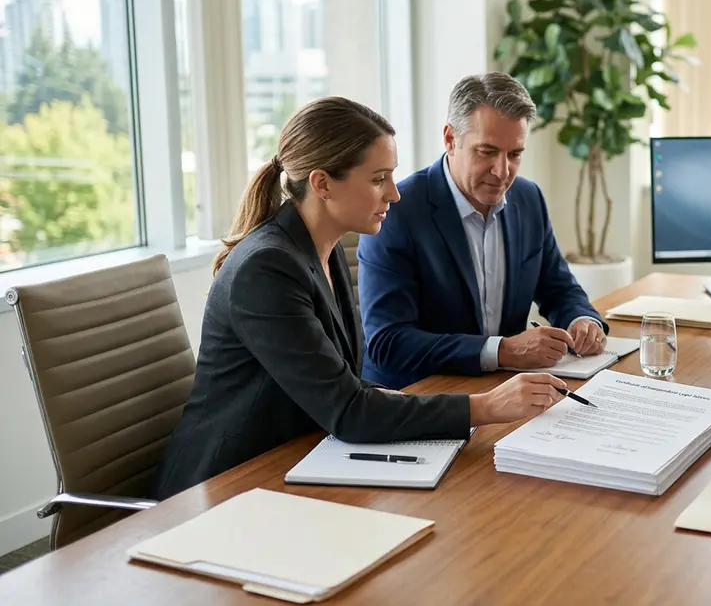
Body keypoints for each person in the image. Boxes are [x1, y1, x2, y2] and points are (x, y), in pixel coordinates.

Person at [151, 97, 567, 499]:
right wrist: (486, 407)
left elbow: (344, 385)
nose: (394, 193)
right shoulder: (268, 269)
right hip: (226, 485)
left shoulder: (321, 252)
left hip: (300, 459)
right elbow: (348, 409)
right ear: (322, 183)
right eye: (377, 179)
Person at [358, 72, 607, 389]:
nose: (503, 171)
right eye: (487, 152)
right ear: (450, 139)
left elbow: (558, 288)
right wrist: (503, 351)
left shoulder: (529, 199)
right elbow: (388, 343)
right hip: (417, 398)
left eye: (515, 154)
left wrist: (581, 320)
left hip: (504, 389)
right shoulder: (397, 211)